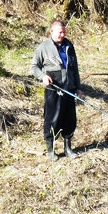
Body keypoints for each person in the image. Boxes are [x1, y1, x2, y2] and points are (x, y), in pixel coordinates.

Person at [31, 19, 82, 161]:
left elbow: (75, 69)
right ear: (51, 32)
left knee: (70, 120)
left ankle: (68, 148)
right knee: (52, 120)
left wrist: (78, 87)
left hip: (69, 89)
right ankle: (51, 150)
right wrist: (43, 77)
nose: (62, 35)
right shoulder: (43, 47)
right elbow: (34, 67)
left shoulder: (69, 45)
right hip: (53, 90)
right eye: (60, 32)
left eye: (64, 32)